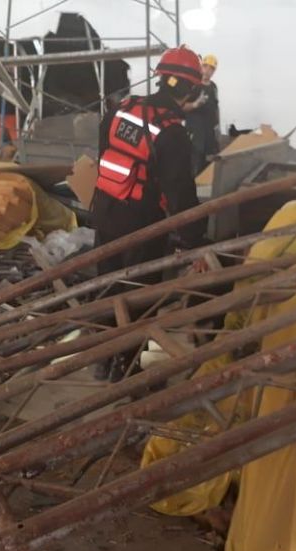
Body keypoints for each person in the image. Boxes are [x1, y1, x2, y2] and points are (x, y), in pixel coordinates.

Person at [91, 45, 209, 381]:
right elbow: (181, 194)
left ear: (160, 78)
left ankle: (103, 360)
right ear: (191, 89)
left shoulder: (120, 110)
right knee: (138, 298)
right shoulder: (171, 132)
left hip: (105, 213)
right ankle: (127, 371)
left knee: (106, 287)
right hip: (141, 226)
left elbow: (105, 156)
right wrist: (194, 241)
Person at [185, 54, 220, 175]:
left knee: (209, 162)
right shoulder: (193, 85)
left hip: (209, 132)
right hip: (195, 132)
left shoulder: (213, 87)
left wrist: (217, 126)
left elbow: (216, 107)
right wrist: (195, 104)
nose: (208, 70)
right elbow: (182, 107)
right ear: (201, 67)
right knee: (195, 161)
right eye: (205, 66)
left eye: (211, 68)